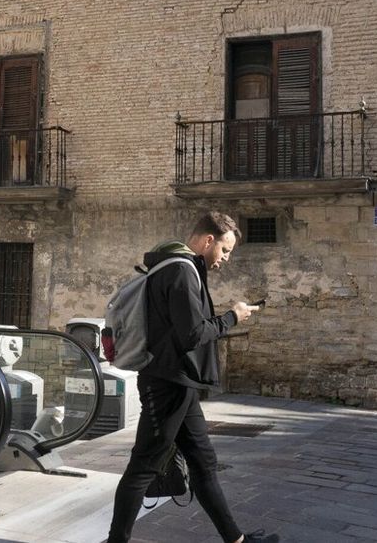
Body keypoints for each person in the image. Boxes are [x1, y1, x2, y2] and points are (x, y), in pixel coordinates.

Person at [107, 212, 278, 543]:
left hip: (180, 383)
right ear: (209, 240)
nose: (225, 260)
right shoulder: (181, 271)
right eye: (225, 251)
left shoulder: (175, 267)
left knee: (204, 464)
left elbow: (184, 329)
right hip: (168, 383)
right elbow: (191, 335)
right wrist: (232, 317)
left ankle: (237, 540)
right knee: (143, 467)